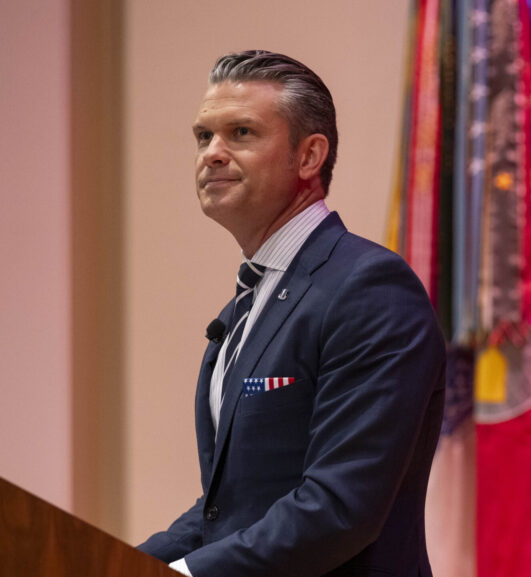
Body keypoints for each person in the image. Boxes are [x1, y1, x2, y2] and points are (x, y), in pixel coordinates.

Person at [138, 50, 446, 577]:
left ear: (309, 157)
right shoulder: (248, 303)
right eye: (203, 136)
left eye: (241, 133)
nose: (212, 153)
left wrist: (188, 574)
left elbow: (339, 507)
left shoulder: (368, 289)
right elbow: (227, 509)